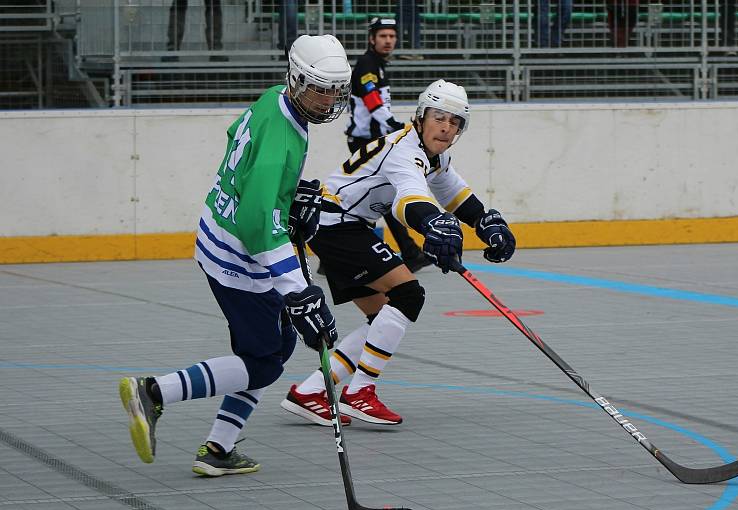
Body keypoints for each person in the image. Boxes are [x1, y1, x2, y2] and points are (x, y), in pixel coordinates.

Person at [119, 34, 351, 476]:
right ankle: (153, 393)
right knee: (263, 360)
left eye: (334, 90)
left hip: (222, 237)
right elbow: (256, 224)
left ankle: (220, 450)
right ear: (298, 79)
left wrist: (287, 202)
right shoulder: (284, 136)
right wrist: (297, 290)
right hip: (238, 257)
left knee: (274, 346)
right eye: (319, 88)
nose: (327, 100)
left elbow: (243, 163)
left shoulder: (273, 100)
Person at [281, 80, 516, 427]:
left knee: (383, 319)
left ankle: (312, 391)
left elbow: (454, 192)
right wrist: (433, 223)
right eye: (439, 117)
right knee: (408, 295)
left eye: (455, 122)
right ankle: (360, 392)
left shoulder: (433, 155)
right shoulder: (405, 151)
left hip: (342, 225)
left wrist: (484, 222)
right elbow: (409, 198)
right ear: (421, 117)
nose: (446, 126)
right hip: (336, 224)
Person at [343, 16, 429, 274]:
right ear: (372, 39)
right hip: (365, 141)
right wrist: (391, 123)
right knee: (382, 195)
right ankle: (411, 252)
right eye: (383, 36)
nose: (388, 40)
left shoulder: (376, 63)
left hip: (370, 139)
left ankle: (335, 255)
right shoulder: (368, 64)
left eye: (392, 36)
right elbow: (370, 97)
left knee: (371, 197)